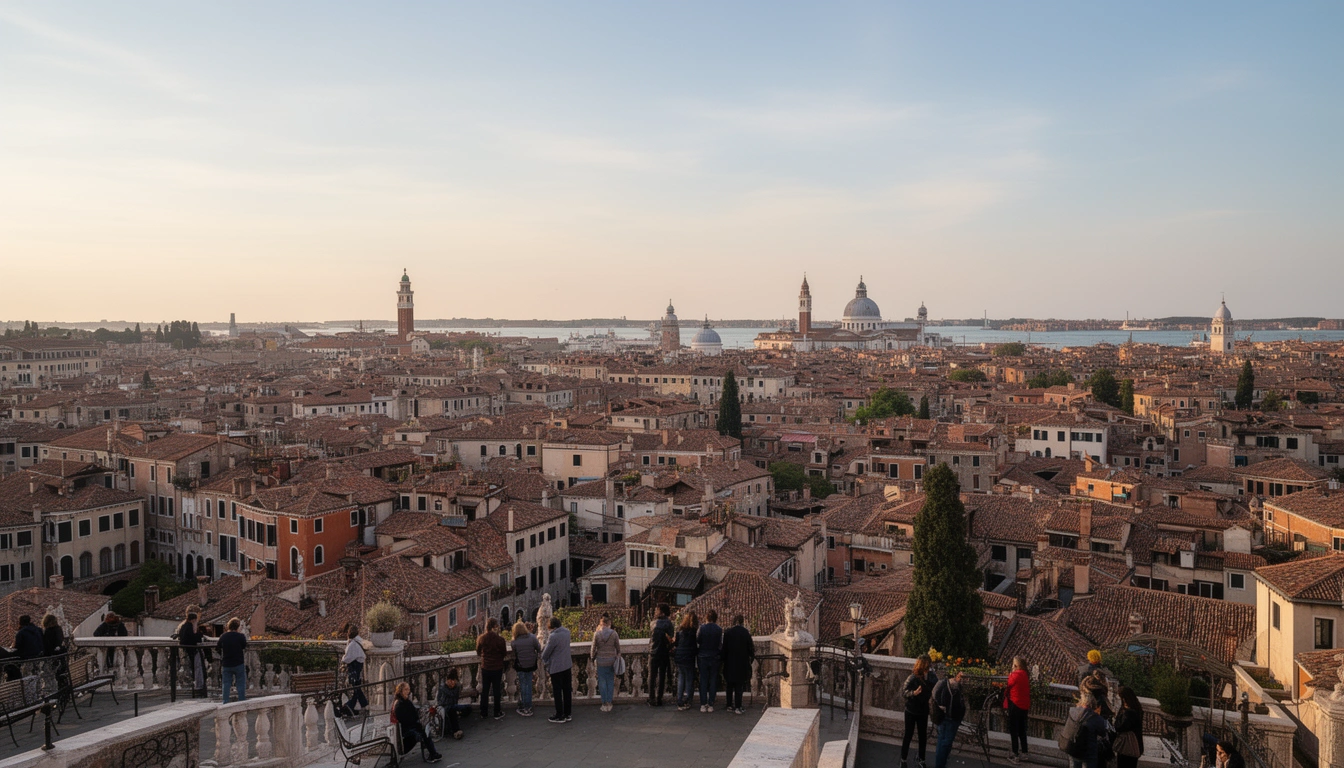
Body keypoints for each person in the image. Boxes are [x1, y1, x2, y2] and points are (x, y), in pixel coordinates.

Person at [392, 682, 442, 762]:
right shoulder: (399, 704)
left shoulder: (406, 701)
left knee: (425, 729)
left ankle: (433, 753)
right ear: (400, 691)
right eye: (406, 689)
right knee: (422, 732)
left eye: (408, 689)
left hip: (411, 725)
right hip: (406, 729)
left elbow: (414, 712)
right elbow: (404, 719)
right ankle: (433, 754)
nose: (408, 691)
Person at [902, 654, 935, 768]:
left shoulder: (931, 677)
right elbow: (904, 692)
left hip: (923, 711)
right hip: (911, 711)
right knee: (908, 735)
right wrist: (914, 693)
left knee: (922, 736)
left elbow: (936, 686)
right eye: (927, 667)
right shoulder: (913, 677)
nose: (929, 669)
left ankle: (922, 759)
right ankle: (903, 759)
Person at [931, 670, 967, 768]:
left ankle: (941, 762)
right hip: (950, 718)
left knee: (943, 741)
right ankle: (940, 764)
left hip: (947, 717)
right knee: (945, 742)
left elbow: (934, 694)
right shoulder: (952, 685)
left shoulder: (943, 683)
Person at [721, 615, 755, 715]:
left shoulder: (728, 633)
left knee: (729, 685)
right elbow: (751, 650)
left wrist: (723, 660)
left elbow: (724, 650)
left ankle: (729, 705)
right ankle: (738, 706)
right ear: (742, 622)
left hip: (729, 663)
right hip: (741, 663)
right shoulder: (746, 633)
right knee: (739, 686)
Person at [540, 616, 572, 723]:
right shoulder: (567, 632)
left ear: (551, 626)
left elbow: (546, 653)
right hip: (567, 665)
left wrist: (544, 658)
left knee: (557, 691)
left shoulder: (553, 636)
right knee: (567, 690)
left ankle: (559, 715)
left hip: (557, 667)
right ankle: (568, 713)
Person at [475, 618, 507, 720]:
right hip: (497, 667)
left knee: (485, 690)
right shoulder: (500, 640)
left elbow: (478, 652)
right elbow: (504, 653)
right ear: (495, 626)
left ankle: (483, 712)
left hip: (486, 667)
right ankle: (497, 712)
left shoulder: (481, 638)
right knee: (497, 690)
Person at [511, 620, 542, 717]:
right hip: (531, 665)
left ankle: (525, 707)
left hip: (521, 666)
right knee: (528, 684)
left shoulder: (514, 642)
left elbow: (514, 652)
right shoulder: (532, 637)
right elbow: (539, 648)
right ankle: (528, 706)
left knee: (523, 686)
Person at [1071, 694, 1111, 768]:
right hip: (1090, 751)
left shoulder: (1075, 712)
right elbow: (1102, 732)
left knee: (1076, 765)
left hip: (1075, 748)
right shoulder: (1096, 718)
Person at [1004, 656, 1031, 764]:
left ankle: (1015, 754)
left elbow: (1008, 685)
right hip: (1024, 706)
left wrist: (1011, 673)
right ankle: (1025, 752)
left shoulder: (1014, 675)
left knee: (1013, 730)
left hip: (1015, 704)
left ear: (1016, 666)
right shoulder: (1025, 675)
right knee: (1022, 730)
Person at [592, 614, 621, 712]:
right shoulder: (614, 634)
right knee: (610, 681)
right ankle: (609, 702)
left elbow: (593, 649)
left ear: (601, 623)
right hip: (611, 660)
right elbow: (618, 648)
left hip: (601, 661)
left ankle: (604, 702)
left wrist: (592, 658)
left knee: (602, 682)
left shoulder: (597, 634)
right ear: (609, 623)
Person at [696, 609, 723, 712]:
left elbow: (698, 640)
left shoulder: (701, 628)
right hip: (715, 657)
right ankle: (711, 704)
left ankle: (703, 704)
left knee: (703, 680)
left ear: (706, 617)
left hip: (703, 657)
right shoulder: (719, 629)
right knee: (713, 680)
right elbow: (720, 644)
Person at [647, 603, 674, 707]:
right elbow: (671, 637)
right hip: (664, 652)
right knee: (662, 676)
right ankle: (659, 698)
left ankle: (651, 698)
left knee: (652, 676)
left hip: (653, 652)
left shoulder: (653, 623)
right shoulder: (669, 624)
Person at [1112, 686, 1145, 768]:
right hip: (1135, 744)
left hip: (1127, 746)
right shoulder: (1137, 709)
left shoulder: (1129, 713)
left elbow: (1119, 727)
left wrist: (1117, 717)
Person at [218, 617, 248, 703]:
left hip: (227, 663)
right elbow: (243, 646)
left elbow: (219, 646)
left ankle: (225, 701)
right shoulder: (241, 636)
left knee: (226, 684)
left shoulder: (223, 636)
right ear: (238, 627)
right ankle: (242, 700)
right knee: (240, 683)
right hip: (238, 662)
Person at [176, 612, 206, 696]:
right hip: (193, 650)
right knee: (198, 668)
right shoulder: (190, 627)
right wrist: (198, 632)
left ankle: (196, 686)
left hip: (187, 651)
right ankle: (199, 687)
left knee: (193, 669)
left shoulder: (183, 627)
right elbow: (195, 638)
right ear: (193, 620)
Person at [341, 626, 368, 717]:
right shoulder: (359, 641)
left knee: (355, 687)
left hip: (354, 667)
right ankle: (364, 703)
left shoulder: (352, 644)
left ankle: (349, 706)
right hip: (359, 667)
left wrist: (343, 659)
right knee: (357, 686)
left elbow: (347, 659)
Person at [674, 611, 699, 711]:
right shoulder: (693, 632)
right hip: (689, 658)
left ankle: (679, 700)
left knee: (681, 678)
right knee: (689, 679)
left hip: (679, 657)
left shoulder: (680, 631)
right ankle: (688, 700)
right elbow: (694, 646)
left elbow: (676, 644)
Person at [436, 669, 464, 740]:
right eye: (450, 681)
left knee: (465, 708)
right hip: (444, 706)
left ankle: (456, 730)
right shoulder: (443, 687)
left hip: (453, 705)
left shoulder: (457, 687)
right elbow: (440, 700)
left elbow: (455, 697)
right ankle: (456, 730)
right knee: (452, 711)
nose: (452, 683)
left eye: (453, 681)